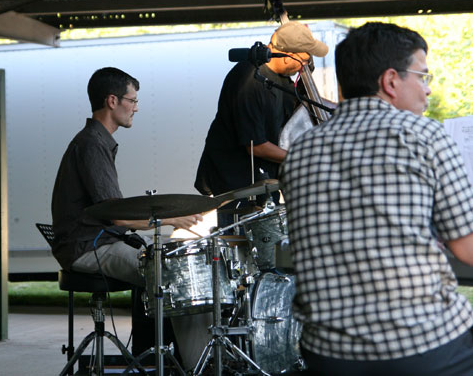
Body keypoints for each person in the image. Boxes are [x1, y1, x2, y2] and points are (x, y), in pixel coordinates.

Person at [280, 22, 473, 375]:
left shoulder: (300, 150)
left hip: (327, 354)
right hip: (421, 347)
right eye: (423, 76)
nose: (427, 90)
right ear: (391, 81)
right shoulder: (425, 136)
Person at [50, 66, 205, 368]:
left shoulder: (95, 140)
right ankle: (197, 366)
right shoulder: (92, 144)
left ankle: (173, 359)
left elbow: (113, 213)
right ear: (112, 101)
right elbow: (116, 217)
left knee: (167, 264)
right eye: (132, 101)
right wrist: (170, 220)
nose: (135, 108)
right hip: (88, 248)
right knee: (177, 278)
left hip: (94, 242)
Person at [194, 21, 328, 223]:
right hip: (238, 182)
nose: (306, 63)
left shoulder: (281, 78)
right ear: (286, 56)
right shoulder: (250, 81)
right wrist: (302, 158)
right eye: (303, 58)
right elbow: (256, 146)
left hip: (264, 177)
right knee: (245, 243)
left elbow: (296, 111)